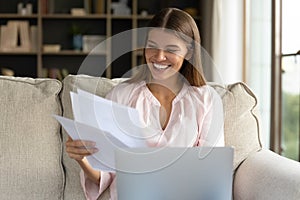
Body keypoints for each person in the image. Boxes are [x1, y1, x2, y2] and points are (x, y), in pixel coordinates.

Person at [66, 7, 224, 200]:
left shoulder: (206, 100)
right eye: (152, 46)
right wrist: (82, 158)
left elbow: (210, 172)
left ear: (189, 53)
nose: (158, 57)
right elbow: (105, 175)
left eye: (171, 50)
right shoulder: (121, 96)